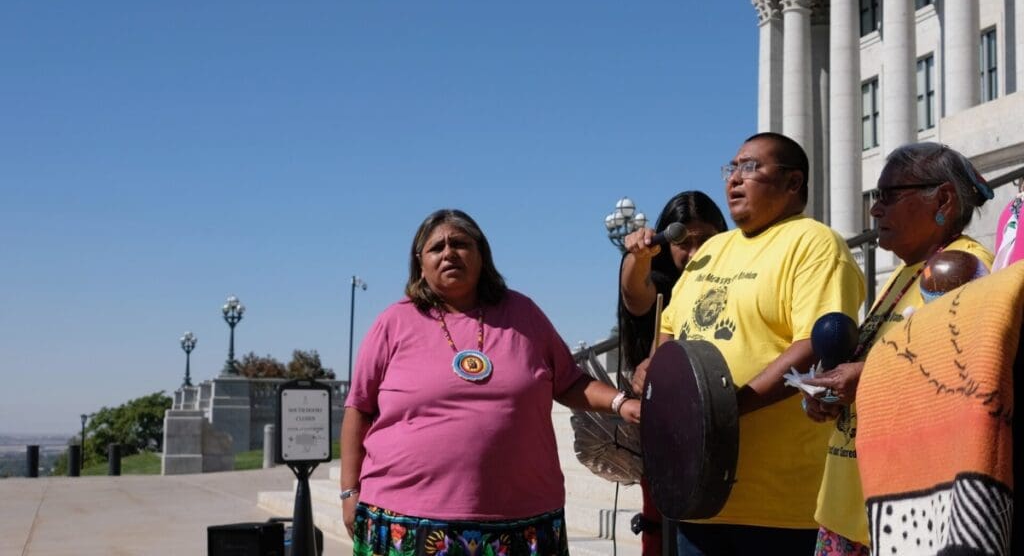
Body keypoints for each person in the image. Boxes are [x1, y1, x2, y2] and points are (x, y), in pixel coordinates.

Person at [341, 208, 641, 556]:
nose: (449, 252)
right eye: (436, 248)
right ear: (420, 264)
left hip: (521, 523)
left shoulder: (524, 314)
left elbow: (570, 381)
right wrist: (349, 492)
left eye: (461, 244)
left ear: (481, 255)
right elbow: (359, 408)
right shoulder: (393, 322)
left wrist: (622, 402)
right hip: (404, 520)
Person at [633, 132, 866, 554]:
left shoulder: (814, 242)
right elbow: (670, 333)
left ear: (793, 183)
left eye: (751, 167)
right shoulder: (711, 250)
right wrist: (655, 372)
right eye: (732, 168)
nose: (734, 179)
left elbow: (814, 345)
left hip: (780, 507)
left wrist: (721, 409)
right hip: (697, 497)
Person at [802, 142, 994, 555]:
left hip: (901, 521)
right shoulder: (907, 273)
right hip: (847, 509)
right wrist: (830, 395)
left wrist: (864, 378)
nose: (874, 210)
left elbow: (955, 378)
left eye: (888, 197)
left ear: (942, 198)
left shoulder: (960, 270)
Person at [619, 191, 727, 556]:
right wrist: (637, 257)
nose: (694, 251)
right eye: (683, 241)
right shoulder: (661, 281)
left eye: (705, 240)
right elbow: (635, 296)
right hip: (667, 435)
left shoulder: (738, 279)